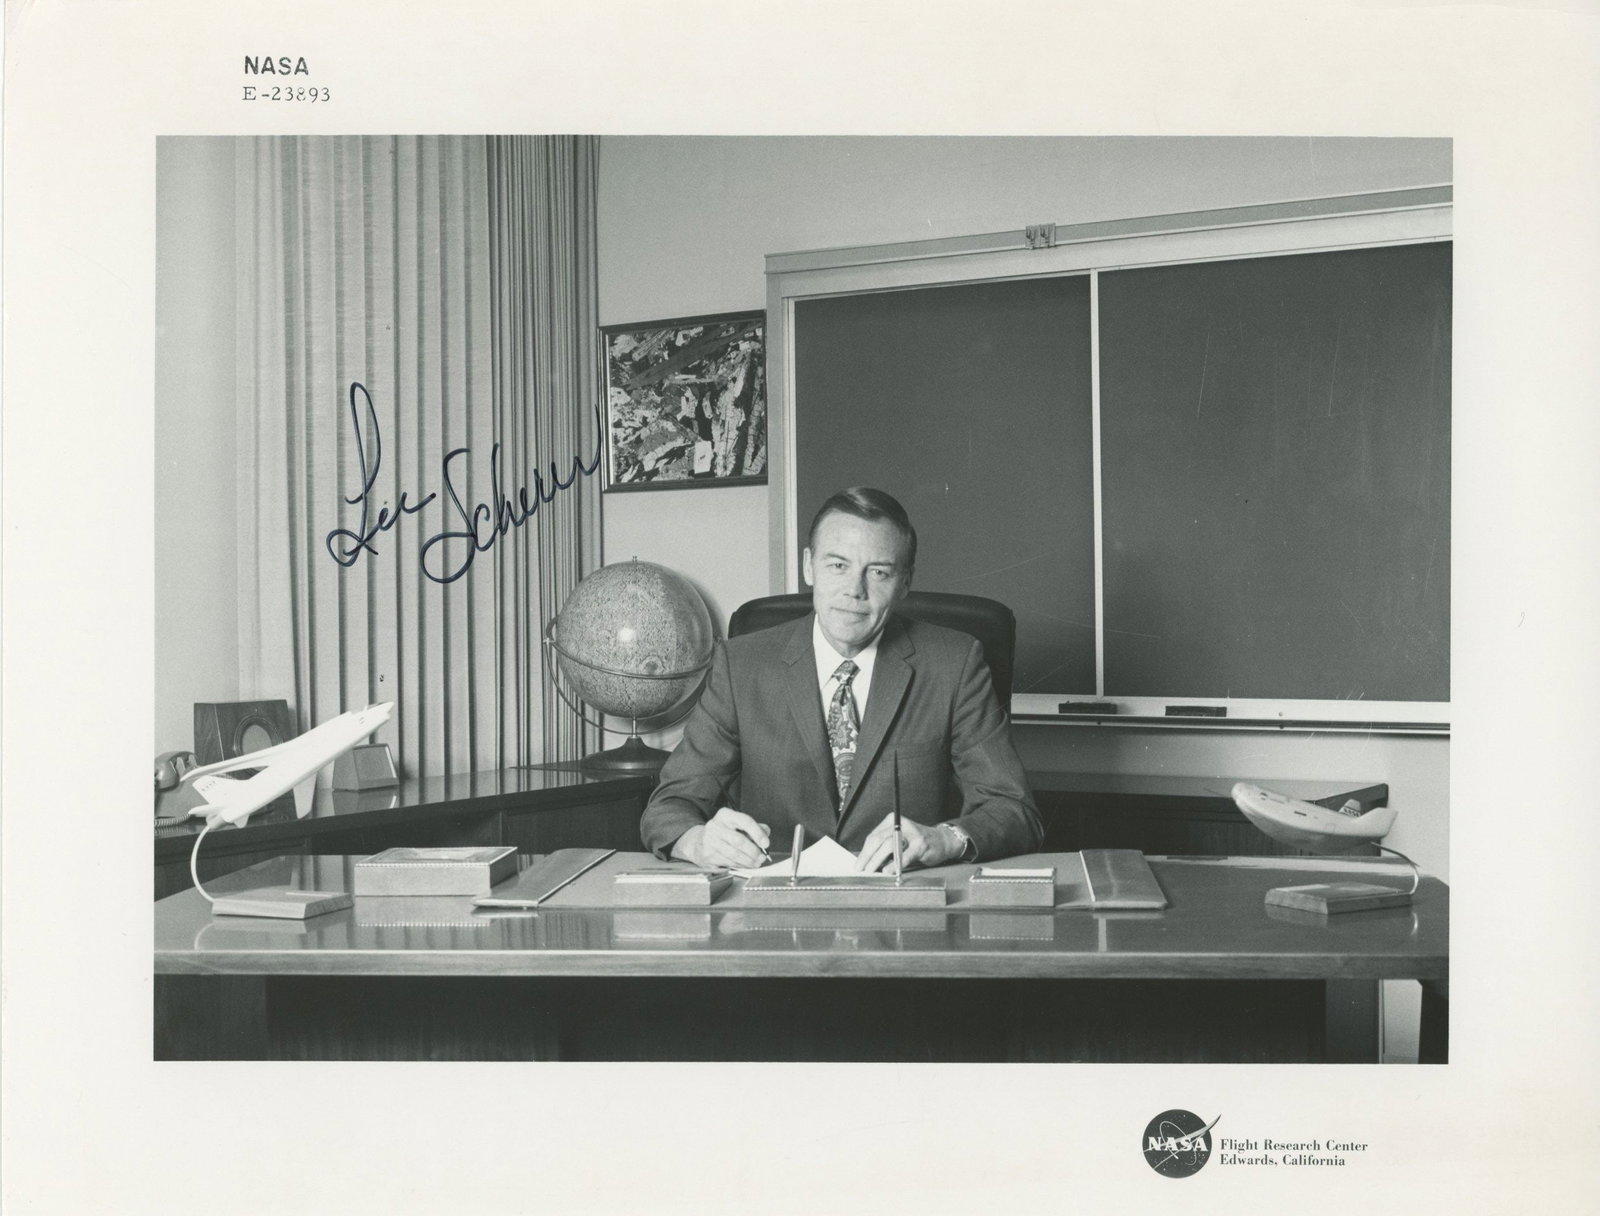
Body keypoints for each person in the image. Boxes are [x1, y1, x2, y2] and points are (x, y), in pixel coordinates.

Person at [640, 486, 1043, 871]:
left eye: (879, 572)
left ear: (905, 582)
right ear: (808, 567)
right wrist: (697, 841)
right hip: (775, 897)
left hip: (902, 896)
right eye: (837, 565)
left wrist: (945, 838)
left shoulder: (953, 664)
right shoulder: (741, 666)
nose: (855, 590)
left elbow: (1013, 810)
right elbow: (669, 807)